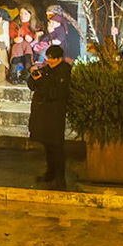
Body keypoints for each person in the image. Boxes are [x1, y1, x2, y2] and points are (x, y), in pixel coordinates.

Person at [28, 46, 71, 190]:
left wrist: (42, 81)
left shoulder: (64, 71)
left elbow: (54, 92)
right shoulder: (47, 69)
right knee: (47, 145)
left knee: (57, 147)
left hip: (55, 114)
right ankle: (50, 173)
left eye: (52, 59)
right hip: (43, 113)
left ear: (59, 59)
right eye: (48, 58)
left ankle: (60, 179)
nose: (49, 61)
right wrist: (34, 76)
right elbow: (33, 85)